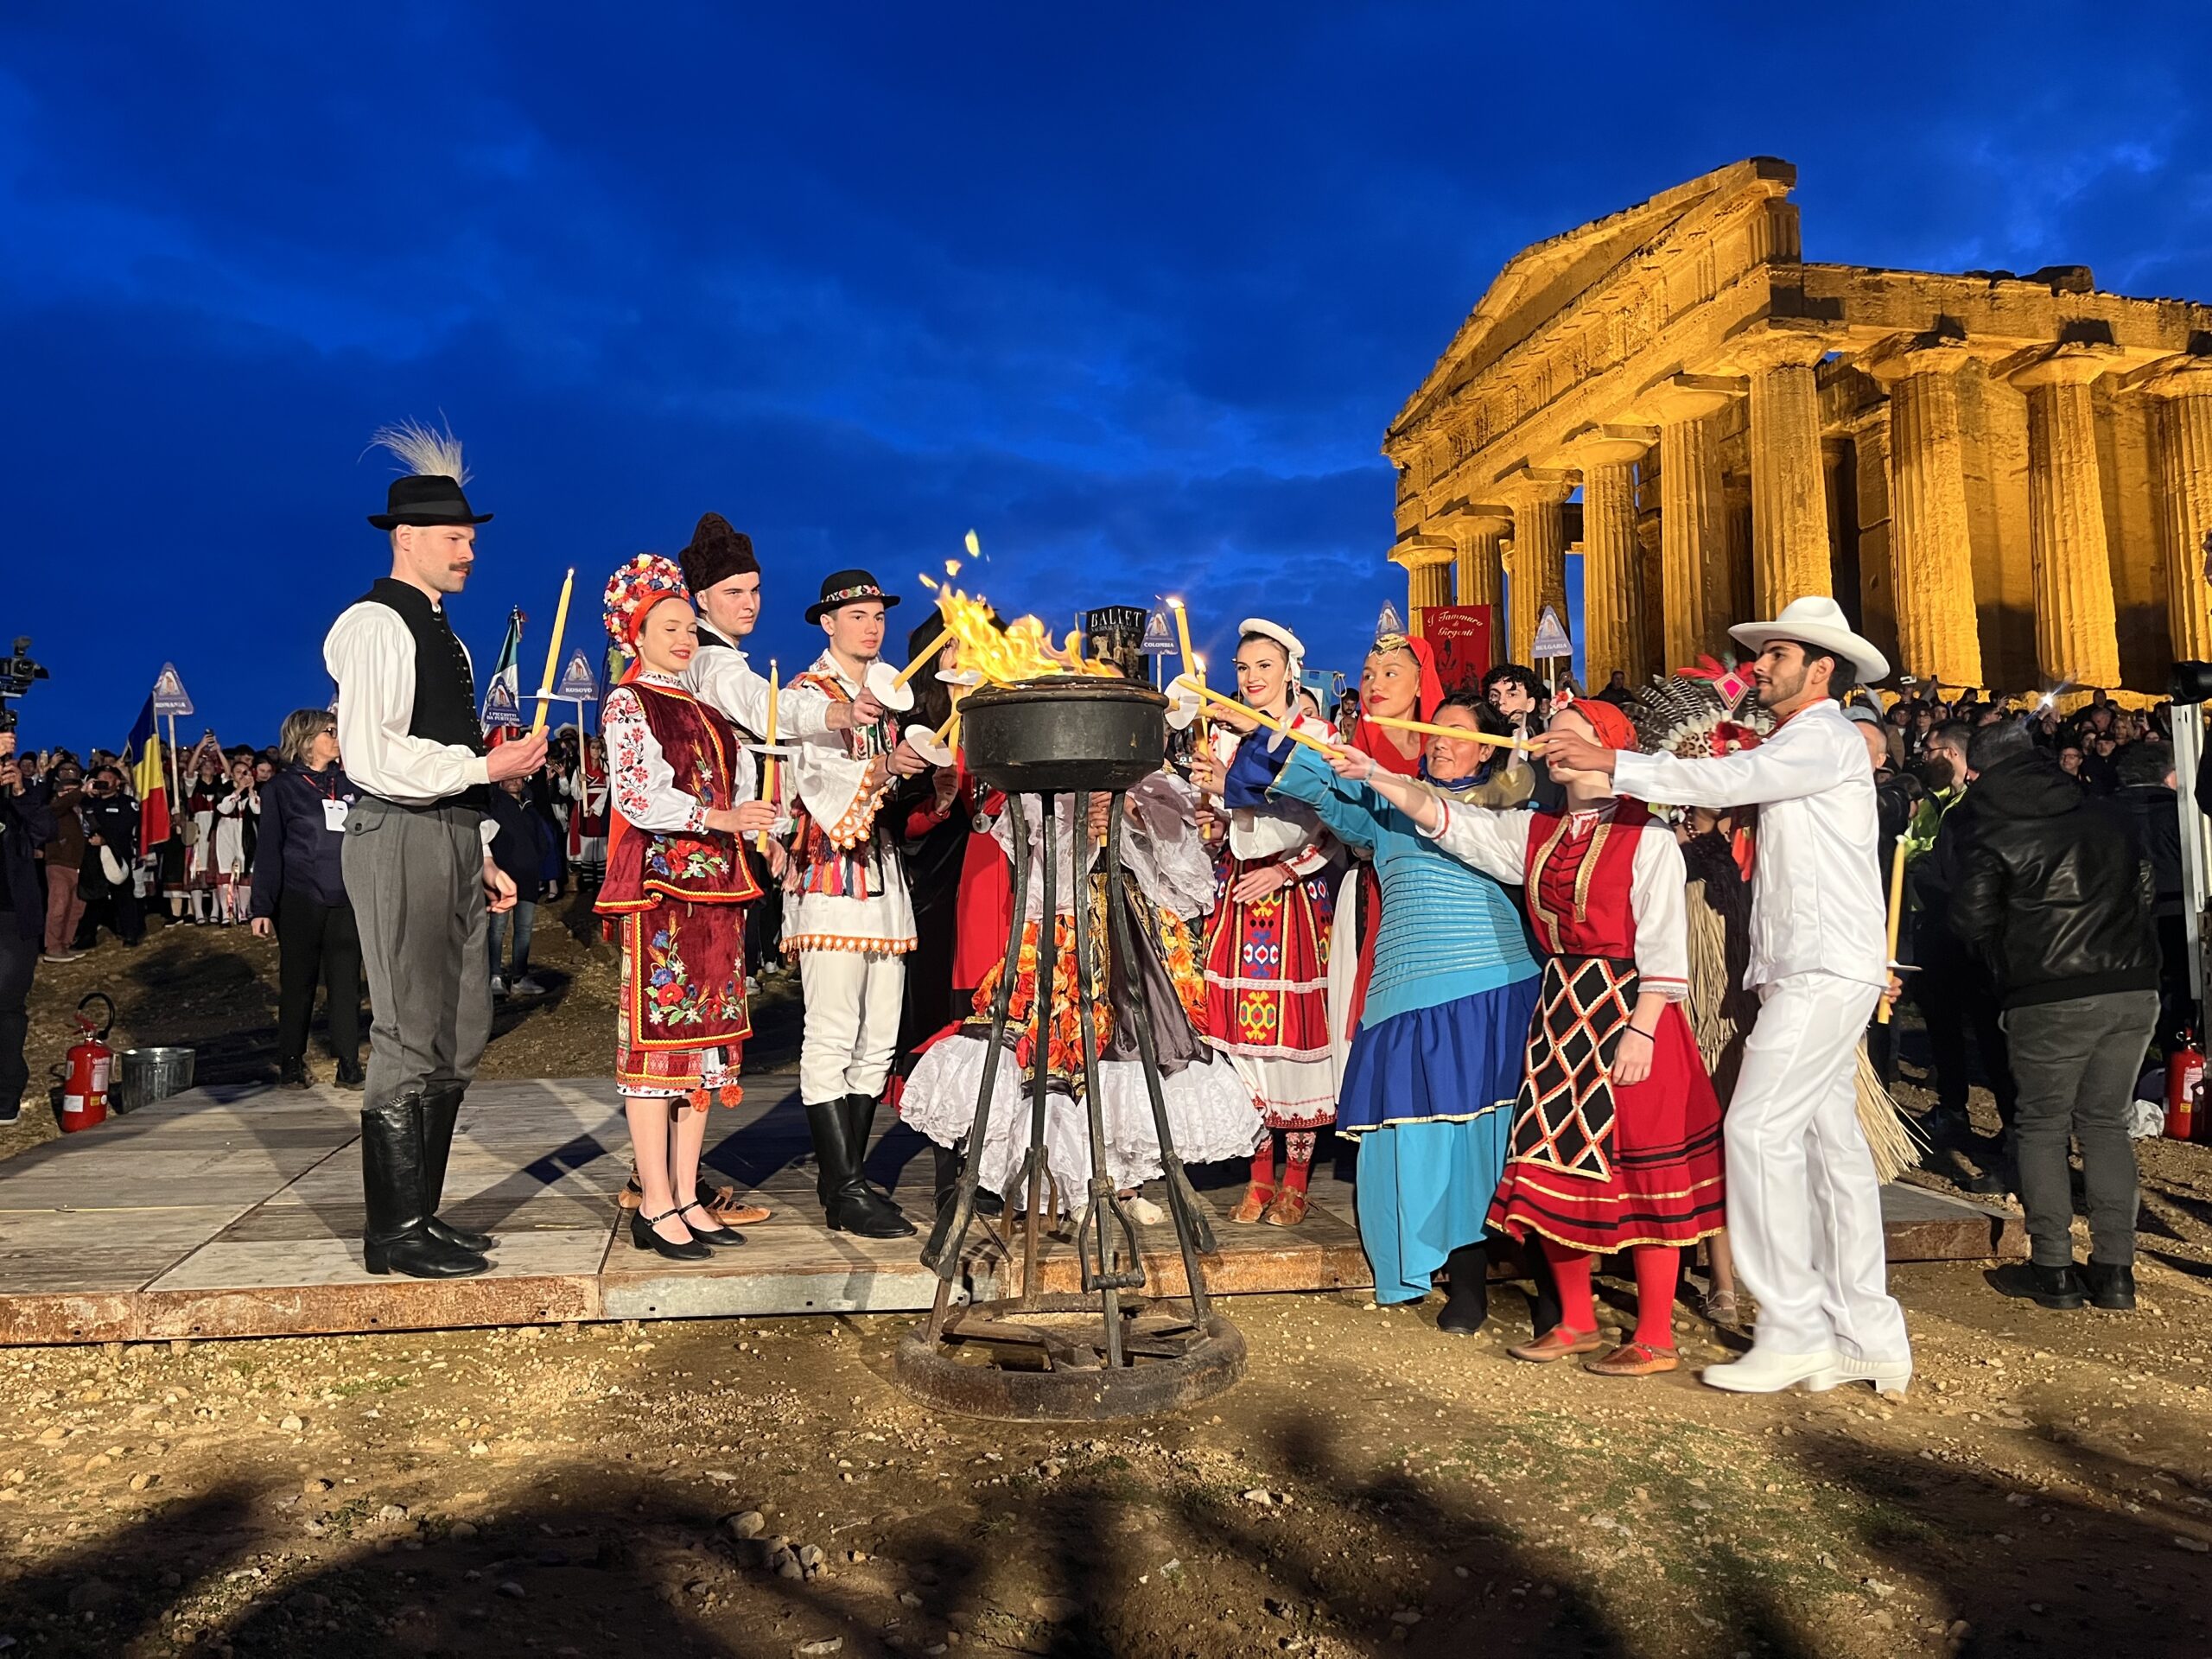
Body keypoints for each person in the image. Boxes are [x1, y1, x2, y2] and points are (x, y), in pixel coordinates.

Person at [1541, 595, 1910, 1395]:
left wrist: (1614, 764)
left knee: (1755, 1128)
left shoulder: (1824, 736)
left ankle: (1793, 1327)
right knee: (1829, 1148)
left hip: (1820, 965)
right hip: (1806, 962)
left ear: (1821, 669)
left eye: (1776, 655)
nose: (1760, 667)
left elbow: (1736, 775)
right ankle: (1868, 1331)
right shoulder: (1802, 740)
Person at [1369, 698, 1723, 1375]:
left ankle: (1654, 1335)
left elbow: (1664, 947)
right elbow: (1452, 822)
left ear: (1606, 746)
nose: (1553, 745)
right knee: (1550, 1162)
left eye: (1569, 734)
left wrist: (1643, 1031)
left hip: (1630, 1012)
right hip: (1561, 1010)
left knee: (1641, 1171)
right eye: (1551, 735)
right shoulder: (1539, 832)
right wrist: (1376, 774)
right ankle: (1577, 1321)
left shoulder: (1646, 838)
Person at [324, 420, 547, 1280]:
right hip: (398, 833)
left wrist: (483, 846)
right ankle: (392, 1234)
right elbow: (375, 755)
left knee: (459, 1029)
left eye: (470, 538)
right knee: (411, 1031)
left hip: (451, 835)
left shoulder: (444, 633)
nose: (469, 552)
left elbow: (439, 751)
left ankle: (423, 1212)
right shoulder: (374, 625)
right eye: (455, 538)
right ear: (408, 540)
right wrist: (485, 763)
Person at [1259, 694, 1539, 1332]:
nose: (1439, 742)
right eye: (1432, 731)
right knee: (1416, 1135)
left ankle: (1505, 1280)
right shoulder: (1386, 801)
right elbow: (1322, 789)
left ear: (1489, 747)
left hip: (1491, 985)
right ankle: (1438, 1272)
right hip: (1403, 992)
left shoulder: (1511, 809)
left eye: (1457, 733)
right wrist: (1274, 723)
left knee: (1482, 1139)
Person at [899, 779, 1262, 1215]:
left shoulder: (1153, 783)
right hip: (1065, 921)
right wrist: (1080, 826)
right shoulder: (1044, 788)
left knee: (1131, 1042)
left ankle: (1125, 1185)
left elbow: (1182, 864)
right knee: (1056, 1045)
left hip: (1130, 921)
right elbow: (1034, 858)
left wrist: (1130, 813)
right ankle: (1059, 1178)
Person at [594, 554, 777, 1259]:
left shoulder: (705, 709)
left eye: (688, 629)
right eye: (668, 628)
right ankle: (656, 1200)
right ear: (635, 637)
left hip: (719, 891)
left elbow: (739, 788)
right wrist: (720, 820)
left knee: (705, 1049)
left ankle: (687, 1192)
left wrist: (760, 819)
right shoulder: (628, 702)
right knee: (658, 1044)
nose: (683, 640)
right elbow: (640, 796)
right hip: (664, 889)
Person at [1950, 719, 2159, 1313]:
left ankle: (2053, 1268)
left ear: (1979, 772)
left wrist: (2005, 960)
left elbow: (1969, 920)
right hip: (2131, 984)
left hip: (2047, 991)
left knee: (2042, 1125)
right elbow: (2143, 888)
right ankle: (2117, 1271)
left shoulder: (1991, 830)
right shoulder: (2108, 814)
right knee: (2106, 1124)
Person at [782, 569, 929, 1237]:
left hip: (882, 875)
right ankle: (840, 1184)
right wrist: (882, 770)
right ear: (828, 624)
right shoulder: (807, 696)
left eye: (878, 614)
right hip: (829, 880)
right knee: (833, 1030)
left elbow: (884, 792)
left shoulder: (888, 690)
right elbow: (814, 783)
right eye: (859, 615)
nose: (873, 625)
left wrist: (919, 771)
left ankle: (852, 1179)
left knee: (879, 1036)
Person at [1191, 621, 1342, 1226]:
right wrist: (1209, 808)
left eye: (1263, 666)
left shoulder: (1316, 736)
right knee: (1243, 1048)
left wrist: (1285, 873)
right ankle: (1257, 1176)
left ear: (1289, 671)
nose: (1252, 679)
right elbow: (1220, 828)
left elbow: (1333, 826)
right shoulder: (1225, 740)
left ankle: (1297, 1179)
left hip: (1294, 903)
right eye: (1244, 668)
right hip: (1239, 900)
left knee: (1293, 1043)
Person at [1904, 720, 2015, 1180]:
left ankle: (2013, 1133)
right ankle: (1953, 1107)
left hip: (1968, 935)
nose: (1921, 756)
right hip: (1935, 932)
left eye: (1928, 748)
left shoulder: (1976, 806)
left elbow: (1959, 871)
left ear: (1950, 753)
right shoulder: (1935, 804)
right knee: (1942, 1027)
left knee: (1991, 1037)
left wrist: (1922, 869)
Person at [249, 709, 365, 1090]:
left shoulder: (352, 784)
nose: (337, 737)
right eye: (328, 732)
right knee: (298, 982)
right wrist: (262, 906)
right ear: (304, 740)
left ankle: (349, 1063)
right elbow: (269, 850)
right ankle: (292, 1062)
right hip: (300, 897)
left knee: (346, 981)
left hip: (346, 897)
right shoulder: (282, 788)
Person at [2112, 741, 2187, 1049]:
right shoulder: (2181, 812)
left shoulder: (2104, 810)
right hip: (2177, 913)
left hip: (2122, 917)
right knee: (2180, 987)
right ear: (2169, 776)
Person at [0, 733, 54, 1127]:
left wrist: (19, 789)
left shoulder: (19, 799)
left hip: (13, 919)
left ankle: (6, 1096)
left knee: (7, 1007)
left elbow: (46, 829)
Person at [486, 774, 551, 996]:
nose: (514, 782)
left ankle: (519, 977)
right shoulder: (495, 805)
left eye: (519, 778)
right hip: (503, 874)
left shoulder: (530, 807)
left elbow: (541, 838)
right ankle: (494, 976)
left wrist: (536, 859)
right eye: (509, 778)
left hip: (528, 876)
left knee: (523, 929)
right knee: (497, 929)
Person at [75, 766, 143, 949]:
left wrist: (106, 840)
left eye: (109, 777)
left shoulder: (126, 802)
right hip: (93, 856)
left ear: (118, 782)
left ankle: (130, 934)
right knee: (94, 898)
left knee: (123, 896)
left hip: (118, 854)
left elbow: (127, 827)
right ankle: (87, 937)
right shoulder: (88, 802)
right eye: (101, 777)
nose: (104, 780)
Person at [35, 760, 86, 963]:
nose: (71, 794)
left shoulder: (82, 812)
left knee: (76, 908)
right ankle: (53, 946)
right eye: (67, 791)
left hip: (79, 865)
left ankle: (65, 944)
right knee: (58, 905)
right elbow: (60, 804)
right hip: (59, 862)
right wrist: (81, 791)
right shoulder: (55, 808)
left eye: (74, 790)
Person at [213, 753, 260, 924]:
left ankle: (242, 912)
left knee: (245, 870)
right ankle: (226, 913)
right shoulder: (223, 789)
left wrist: (250, 790)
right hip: (226, 830)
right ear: (232, 774)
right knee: (226, 870)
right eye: (239, 772)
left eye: (245, 772)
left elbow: (257, 810)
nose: (242, 775)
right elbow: (224, 808)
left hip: (244, 831)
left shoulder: (253, 791)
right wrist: (239, 790)